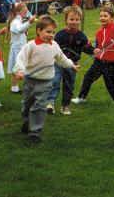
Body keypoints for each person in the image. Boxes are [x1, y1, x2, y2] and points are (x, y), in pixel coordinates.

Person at [13, 16, 79, 144]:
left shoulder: (54, 45)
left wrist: (71, 65)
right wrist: (20, 71)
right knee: (27, 105)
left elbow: (61, 58)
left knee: (39, 105)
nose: (51, 35)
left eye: (53, 32)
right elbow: (21, 59)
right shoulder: (31, 45)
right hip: (30, 80)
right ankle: (27, 123)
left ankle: (35, 132)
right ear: (39, 30)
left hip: (46, 81)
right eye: (48, 32)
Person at [71, 6, 114, 105]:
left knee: (111, 82)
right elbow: (99, 45)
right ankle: (81, 97)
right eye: (101, 16)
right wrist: (96, 50)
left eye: (105, 16)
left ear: (112, 18)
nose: (102, 18)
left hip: (111, 63)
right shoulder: (99, 32)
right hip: (99, 61)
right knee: (88, 77)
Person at [46, 5, 93, 115]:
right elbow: (53, 48)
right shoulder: (60, 35)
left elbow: (87, 48)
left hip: (73, 65)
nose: (74, 22)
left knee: (69, 86)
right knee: (54, 82)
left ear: (80, 21)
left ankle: (65, 105)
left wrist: (94, 50)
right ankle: (50, 103)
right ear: (65, 20)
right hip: (57, 63)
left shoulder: (81, 36)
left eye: (77, 19)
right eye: (71, 19)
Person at [7, 3, 36, 94]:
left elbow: (21, 31)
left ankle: (16, 86)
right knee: (17, 67)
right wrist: (29, 23)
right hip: (17, 48)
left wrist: (26, 28)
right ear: (18, 13)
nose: (26, 14)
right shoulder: (15, 22)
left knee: (20, 67)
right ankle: (15, 87)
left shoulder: (18, 21)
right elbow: (19, 30)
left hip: (20, 47)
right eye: (24, 12)